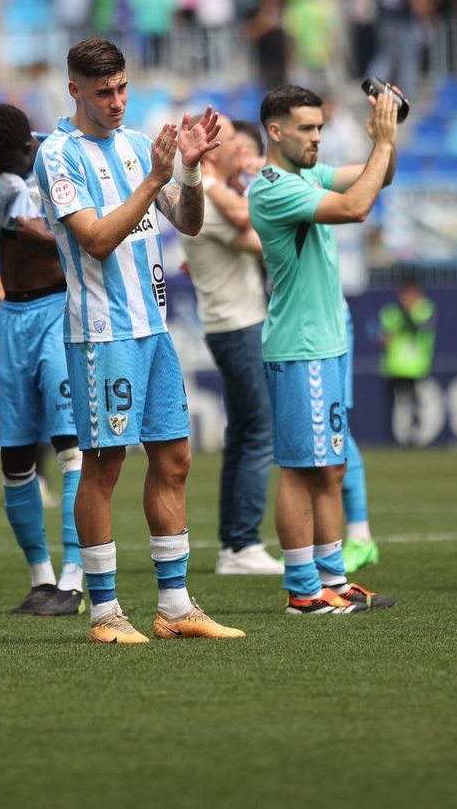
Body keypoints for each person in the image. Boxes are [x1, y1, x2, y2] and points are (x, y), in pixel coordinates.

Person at [34, 37, 242, 644]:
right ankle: (103, 612)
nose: (118, 100)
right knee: (103, 467)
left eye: (123, 87)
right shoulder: (58, 155)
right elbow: (96, 240)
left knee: (175, 459)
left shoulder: (132, 146)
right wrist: (155, 178)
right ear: (75, 90)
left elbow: (192, 222)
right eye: (104, 91)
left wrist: (191, 170)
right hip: (103, 333)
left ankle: (175, 607)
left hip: (153, 329)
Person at [250, 84, 399, 615]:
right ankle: (301, 590)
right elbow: (358, 207)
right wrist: (381, 144)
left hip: (326, 343)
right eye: (307, 128)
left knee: (330, 468)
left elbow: (380, 175)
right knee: (298, 470)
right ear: (276, 131)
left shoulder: (304, 173)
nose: (317, 137)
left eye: (319, 127)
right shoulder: (270, 186)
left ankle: (333, 580)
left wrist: (389, 136)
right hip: (301, 346)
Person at [0, 105, 84, 615]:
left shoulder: (61, 160)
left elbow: (88, 242)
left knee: (71, 446)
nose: (1, 173)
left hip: (61, 310)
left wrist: (28, 225)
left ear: (26, 149)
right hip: (12, 319)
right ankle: (41, 579)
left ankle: (76, 580)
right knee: (14, 456)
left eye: (7, 165)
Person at [181, 114, 281, 576]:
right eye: (223, 137)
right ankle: (241, 545)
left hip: (233, 325)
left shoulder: (214, 193)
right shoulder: (206, 195)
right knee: (258, 433)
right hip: (238, 327)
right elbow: (258, 238)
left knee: (242, 436)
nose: (234, 144)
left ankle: (234, 544)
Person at [379, 280, 435, 446]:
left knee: (415, 405)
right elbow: (385, 339)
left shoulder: (425, 310)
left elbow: (419, 325)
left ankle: (415, 437)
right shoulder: (390, 312)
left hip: (416, 368)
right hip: (394, 367)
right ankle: (395, 440)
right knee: (395, 406)